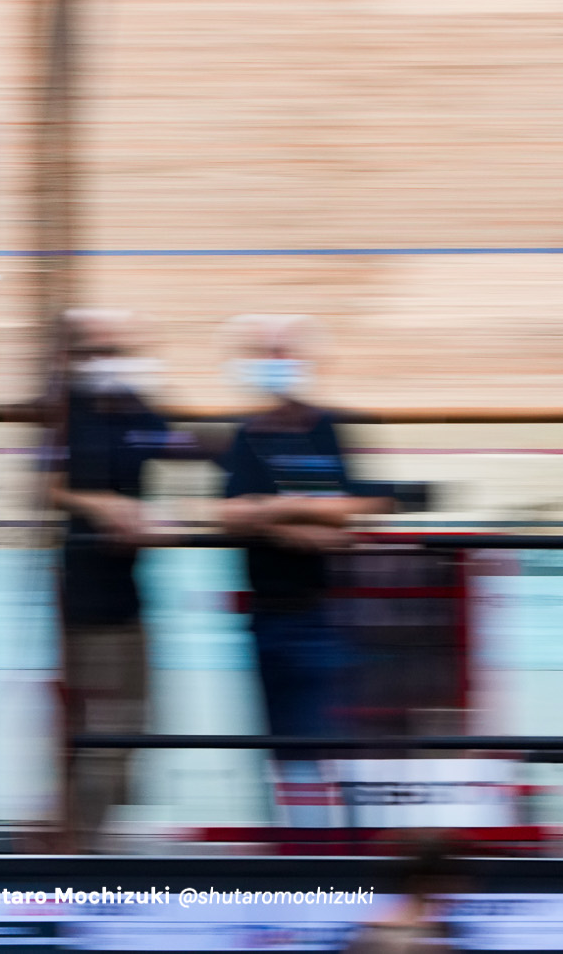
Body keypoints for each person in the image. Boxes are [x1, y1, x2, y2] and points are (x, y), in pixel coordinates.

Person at [216, 315, 392, 819]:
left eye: (282, 351)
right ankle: (301, 853)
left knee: (323, 741)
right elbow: (227, 514)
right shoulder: (244, 434)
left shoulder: (330, 428)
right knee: (281, 746)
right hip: (266, 614)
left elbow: (356, 508)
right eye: (264, 352)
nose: (274, 363)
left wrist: (266, 511)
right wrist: (292, 521)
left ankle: (330, 854)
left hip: (324, 613)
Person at [48, 308, 198, 852]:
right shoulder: (64, 413)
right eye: (95, 353)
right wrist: (104, 505)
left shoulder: (133, 407)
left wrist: (160, 516)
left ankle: (94, 835)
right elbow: (49, 485)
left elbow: (176, 446)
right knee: (88, 730)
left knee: (131, 723)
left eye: (115, 352)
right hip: (79, 598)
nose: (107, 363)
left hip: (127, 595)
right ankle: (81, 845)